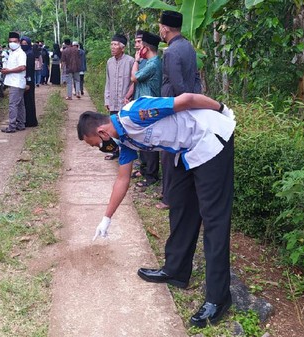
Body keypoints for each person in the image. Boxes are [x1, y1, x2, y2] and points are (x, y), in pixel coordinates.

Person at [77, 93, 236, 329]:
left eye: (96, 144)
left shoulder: (136, 113)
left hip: (210, 138)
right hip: (186, 149)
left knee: (214, 220)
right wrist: (106, 219)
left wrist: (221, 108)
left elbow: (188, 99)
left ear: (102, 132)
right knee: (181, 205)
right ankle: (176, 271)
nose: (100, 148)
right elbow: (122, 180)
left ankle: (218, 298)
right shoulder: (126, 141)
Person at [157, 10, 202, 210]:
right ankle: (181, 195)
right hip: (188, 105)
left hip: (174, 107)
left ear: (165, 28)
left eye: (160, 26)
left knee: (168, 152)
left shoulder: (171, 52)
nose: (159, 30)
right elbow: (196, 78)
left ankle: (169, 197)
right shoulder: (189, 48)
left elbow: (177, 84)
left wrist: (182, 104)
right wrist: (194, 100)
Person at [129, 31, 161, 188]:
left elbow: (133, 77)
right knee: (143, 140)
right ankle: (144, 169)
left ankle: (151, 175)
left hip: (150, 108)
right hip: (143, 106)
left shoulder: (153, 64)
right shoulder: (149, 63)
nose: (138, 48)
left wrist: (136, 61)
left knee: (150, 142)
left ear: (146, 48)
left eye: (140, 46)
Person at [104, 34, 135, 160]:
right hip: (113, 100)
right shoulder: (109, 62)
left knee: (126, 126)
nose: (112, 47)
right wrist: (107, 98)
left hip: (125, 100)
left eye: (115, 44)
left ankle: (128, 152)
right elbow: (108, 81)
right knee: (113, 126)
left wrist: (129, 96)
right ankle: (115, 151)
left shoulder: (130, 61)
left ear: (123, 48)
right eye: (111, 44)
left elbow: (134, 81)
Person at [0, 32, 27, 133]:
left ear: (19, 42)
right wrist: (6, 69)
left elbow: (22, 67)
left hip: (17, 82)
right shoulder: (12, 52)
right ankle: (20, 124)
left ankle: (12, 126)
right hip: (15, 82)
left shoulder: (21, 53)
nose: (12, 43)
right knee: (19, 104)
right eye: (10, 41)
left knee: (13, 104)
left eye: (14, 41)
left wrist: (9, 71)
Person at [21, 36, 38, 127]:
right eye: (22, 44)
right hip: (23, 79)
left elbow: (30, 70)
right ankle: (24, 119)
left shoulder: (30, 54)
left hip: (28, 81)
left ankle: (30, 121)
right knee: (24, 101)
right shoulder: (23, 53)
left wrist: (28, 82)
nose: (23, 45)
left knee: (29, 101)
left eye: (25, 44)